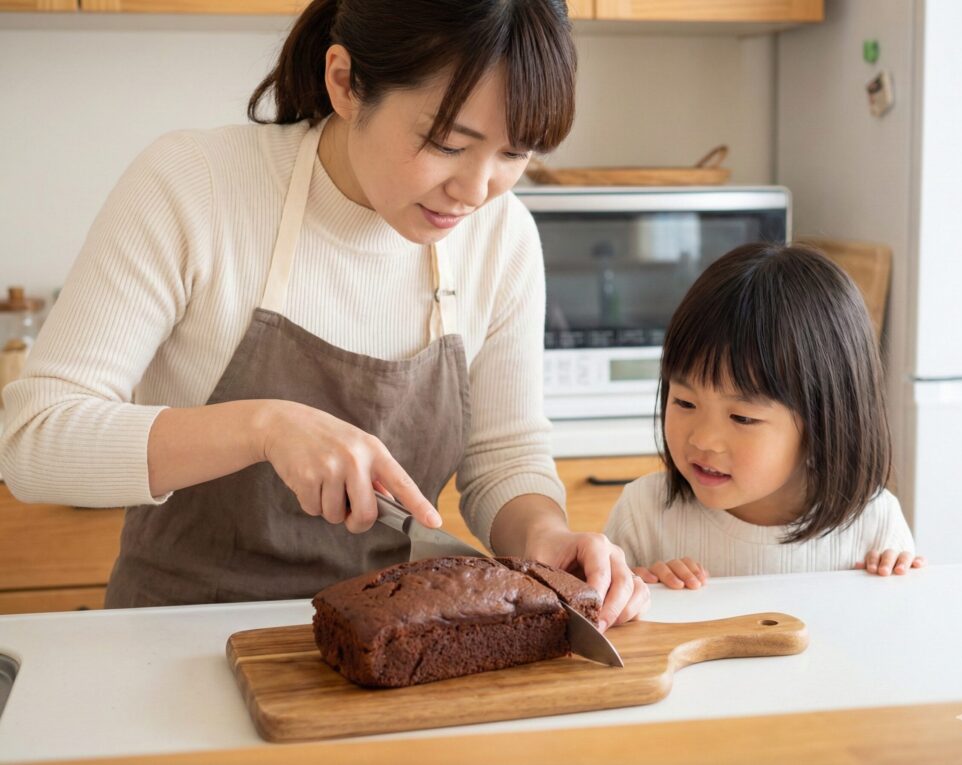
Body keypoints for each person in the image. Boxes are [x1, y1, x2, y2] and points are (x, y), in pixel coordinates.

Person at [0, 0, 648, 627]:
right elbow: (34, 441)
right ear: (344, 82)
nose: (477, 191)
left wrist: (547, 534)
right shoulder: (196, 186)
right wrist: (264, 426)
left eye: (515, 153)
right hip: (175, 641)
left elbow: (504, 459)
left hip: (390, 643)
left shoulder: (501, 236)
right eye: (448, 142)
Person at [604, 242, 925, 589]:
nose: (703, 439)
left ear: (823, 420)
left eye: (742, 418)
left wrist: (897, 586)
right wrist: (632, 595)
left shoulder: (873, 522)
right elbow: (596, 626)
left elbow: (891, 633)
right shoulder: (643, 515)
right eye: (684, 402)